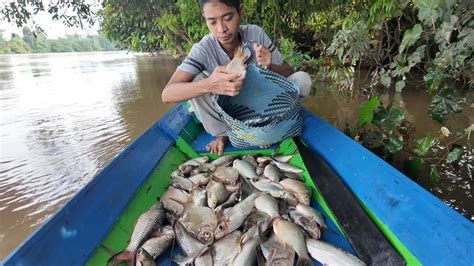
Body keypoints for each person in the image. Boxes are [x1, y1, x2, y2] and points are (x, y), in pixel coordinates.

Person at [162, 0, 311, 155]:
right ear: (204, 18)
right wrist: (209, 84)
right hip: (227, 114)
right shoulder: (203, 49)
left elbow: (289, 73)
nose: (221, 29)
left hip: (263, 109)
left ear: (240, 12)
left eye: (228, 18)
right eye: (212, 22)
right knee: (196, 81)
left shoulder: (256, 34)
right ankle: (223, 133)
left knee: (302, 79)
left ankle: (265, 129)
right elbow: (167, 94)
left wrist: (271, 65)